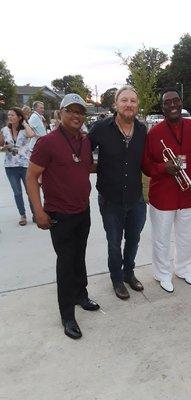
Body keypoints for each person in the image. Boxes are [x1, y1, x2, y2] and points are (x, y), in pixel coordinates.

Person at [26, 93, 100, 340]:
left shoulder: (85, 141)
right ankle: (67, 315)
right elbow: (31, 177)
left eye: (80, 112)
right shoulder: (47, 143)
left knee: (79, 257)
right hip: (60, 215)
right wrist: (38, 211)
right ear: (60, 113)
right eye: (71, 111)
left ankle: (81, 295)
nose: (76, 116)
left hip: (82, 210)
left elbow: (86, 166)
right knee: (66, 263)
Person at [142, 88, 191, 293]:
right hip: (163, 196)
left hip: (189, 194)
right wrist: (164, 168)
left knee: (188, 236)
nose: (172, 105)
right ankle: (162, 273)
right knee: (161, 238)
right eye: (167, 102)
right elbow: (145, 166)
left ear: (181, 102)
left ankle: (184, 269)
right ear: (162, 107)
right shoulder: (154, 134)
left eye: (176, 101)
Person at [88, 85, 147, 300]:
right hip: (110, 199)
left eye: (133, 100)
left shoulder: (142, 130)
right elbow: (83, 152)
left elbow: (146, 161)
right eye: (124, 100)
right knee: (114, 243)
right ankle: (116, 279)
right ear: (116, 104)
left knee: (133, 240)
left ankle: (128, 273)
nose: (129, 104)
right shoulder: (100, 128)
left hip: (136, 198)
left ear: (137, 105)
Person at [0, 107, 35, 225]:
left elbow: (31, 134)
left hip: (25, 164)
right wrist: (3, 148)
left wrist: (25, 124)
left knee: (30, 191)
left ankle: (35, 214)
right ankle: (22, 215)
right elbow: (0, 145)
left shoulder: (25, 130)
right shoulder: (4, 130)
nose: (10, 117)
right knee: (17, 192)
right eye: (9, 115)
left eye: (12, 115)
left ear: (19, 117)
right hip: (10, 166)